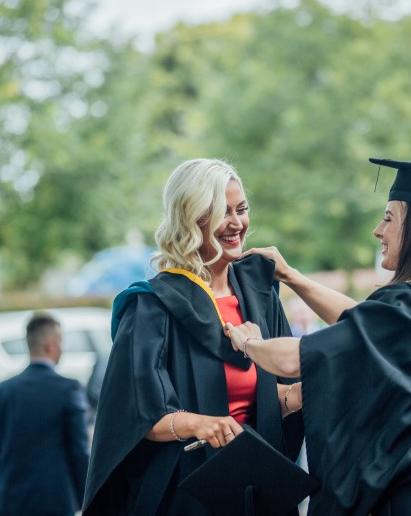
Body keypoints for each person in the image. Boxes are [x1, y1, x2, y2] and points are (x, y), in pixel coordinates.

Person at [226, 158, 411, 514]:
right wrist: (292, 277)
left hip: (407, 501)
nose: (377, 230)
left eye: (388, 217)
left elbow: (296, 359)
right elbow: (360, 321)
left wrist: (248, 342)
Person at [82, 158, 304, 515]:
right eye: (221, 212)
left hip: (258, 488)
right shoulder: (152, 306)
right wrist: (200, 422)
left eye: (241, 210)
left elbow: (268, 396)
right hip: (188, 491)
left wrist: (301, 393)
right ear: (190, 217)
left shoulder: (260, 297)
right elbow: (138, 414)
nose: (236, 223)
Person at [0, 312, 90, 516]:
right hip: (56, 500)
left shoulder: (0, 392)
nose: (61, 349)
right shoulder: (68, 390)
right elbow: (79, 451)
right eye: (60, 342)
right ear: (50, 345)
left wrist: (5, 480)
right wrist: (84, 495)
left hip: (11, 499)